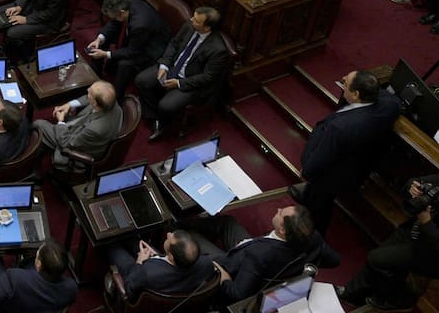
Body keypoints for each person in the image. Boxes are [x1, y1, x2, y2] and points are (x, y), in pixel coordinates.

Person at [338, 154, 439, 311]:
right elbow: (416, 181)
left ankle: (397, 299)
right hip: (421, 233)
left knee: (377, 258)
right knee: (383, 251)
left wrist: (426, 223)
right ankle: (352, 294)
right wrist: (412, 187)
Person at [293, 69, 401, 234]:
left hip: (331, 176)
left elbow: (319, 159)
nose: (342, 79)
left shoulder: (339, 128)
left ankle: (312, 235)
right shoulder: (390, 105)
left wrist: (307, 172)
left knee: (318, 206)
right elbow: (392, 99)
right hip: (356, 166)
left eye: (346, 82)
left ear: (356, 94)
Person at [182, 203, 337, 304]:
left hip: (228, 265)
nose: (278, 209)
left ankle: (179, 226)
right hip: (251, 247)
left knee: (188, 236)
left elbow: (237, 294)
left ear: (282, 230)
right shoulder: (312, 236)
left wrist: (223, 275)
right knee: (228, 222)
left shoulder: (259, 255)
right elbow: (334, 260)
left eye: (281, 213)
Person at [135, 6, 229, 142]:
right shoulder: (189, 26)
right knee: (141, 80)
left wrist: (179, 83)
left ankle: (164, 125)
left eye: (196, 21)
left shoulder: (218, 50)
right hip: (172, 67)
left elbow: (207, 77)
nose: (191, 20)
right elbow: (174, 44)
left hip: (189, 82)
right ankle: (153, 117)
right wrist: (164, 65)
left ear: (207, 28)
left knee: (165, 106)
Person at [85, 0, 171, 98]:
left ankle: (116, 97)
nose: (113, 19)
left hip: (152, 48)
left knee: (124, 64)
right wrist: (99, 39)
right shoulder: (124, 2)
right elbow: (114, 22)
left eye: (114, 17)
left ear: (121, 13)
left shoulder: (140, 24)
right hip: (137, 37)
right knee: (102, 42)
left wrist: (106, 54)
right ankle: (95, 76)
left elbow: (132, 51)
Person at [32, 80, 123, 168]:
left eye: (90, 93)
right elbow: (87, 98)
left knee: (38, 124)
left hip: (78, 145)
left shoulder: (95, 129)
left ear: (95, 103)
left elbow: (67, 143)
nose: (87, 90)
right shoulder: (111, 102)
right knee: (70, 113)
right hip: (86, 126)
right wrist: (69, 105)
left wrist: (60, 121)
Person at [106, 230, 217, 302]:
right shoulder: (207, 264)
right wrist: (158, 256)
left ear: (172, 256)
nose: (168, 234)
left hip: (136, 273)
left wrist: (139, 262)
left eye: (170, 239)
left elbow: (129, 291)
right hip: (161, 273)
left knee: (112, 245)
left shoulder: (145, 273)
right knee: (133, 240)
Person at [0, 239, 76, 313]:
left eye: (38, 254)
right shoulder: (71, 287)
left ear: (39, 264)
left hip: (6, 307)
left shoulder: (15, 279)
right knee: (29, 261)